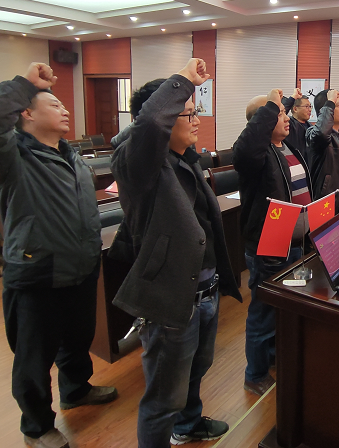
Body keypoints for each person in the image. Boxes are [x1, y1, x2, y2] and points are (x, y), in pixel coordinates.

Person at [0, 63, 117, 448]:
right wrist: (23, 85)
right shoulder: (10, 158)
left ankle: (76, 389)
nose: (65, 109)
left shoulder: (71, 155)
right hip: (37, 272)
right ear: (27, 113)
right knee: (34, 358)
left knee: (78, 339)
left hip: (80, 268)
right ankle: (36, 427)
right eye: (54, 104)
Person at [110, 59, 242, 447]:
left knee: (196, 370)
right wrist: (183, 79)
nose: (197, 119)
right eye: (187, 113)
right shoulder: (139, 164)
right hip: (171, 300)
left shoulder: (183, 157)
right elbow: (150, 123)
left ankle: (188, 424)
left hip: (204, 291)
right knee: (163, 397)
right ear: (165, 121)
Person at [233, 88, 313, 396]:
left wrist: (285, 102)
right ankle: (254, 374)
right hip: (268, 243)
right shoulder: (256, 153)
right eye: (278, 114)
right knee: (264, 311)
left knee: (283, 307)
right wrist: (270, 106)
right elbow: (244, 150)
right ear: (262, 121)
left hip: (294, 242)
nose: (285, 117)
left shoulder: (285, 145)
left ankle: (273, 356)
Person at [306, 89, 339, 209]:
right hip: (326, 207)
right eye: (338, 105)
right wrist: (330, 102)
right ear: (325, 110)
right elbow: (321, 134)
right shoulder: (314, 134)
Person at [281, 88, 312, 159]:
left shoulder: (311, 127)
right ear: (295, 109)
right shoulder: (289, 124)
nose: (310, 110)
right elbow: (279, 114)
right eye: (306, 106)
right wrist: (292, 98)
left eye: (310, 106)